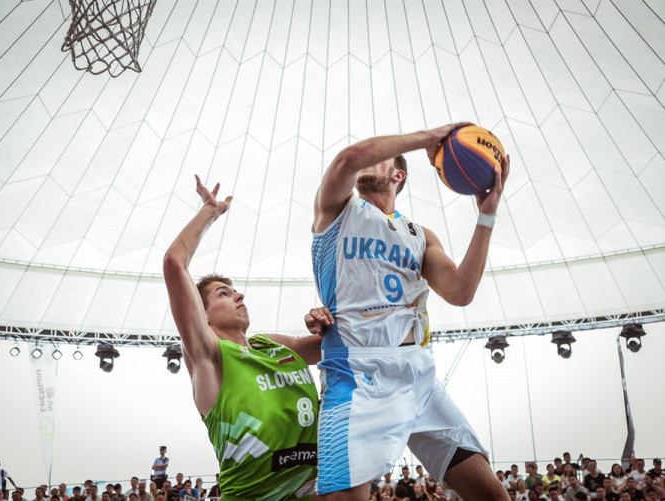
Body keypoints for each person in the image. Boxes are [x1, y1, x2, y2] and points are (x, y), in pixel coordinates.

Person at [311, 123, 509, 500]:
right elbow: (350, 157)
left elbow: (461, 291)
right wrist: (429, 139)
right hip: (358, 374)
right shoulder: (336, 210)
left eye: (380, 156)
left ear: (397, 175)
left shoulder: (420, 234)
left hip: (418, 375)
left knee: (492, 494)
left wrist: (487, 214)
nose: (366, 158)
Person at [163, 175, 331, 500]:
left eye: (236, 291)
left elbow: (335, 347)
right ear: (202, 314)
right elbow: (174, 262)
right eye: (224, 294)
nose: (239, 296)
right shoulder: (209, 356)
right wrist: (210, 211)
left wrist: (324, 322)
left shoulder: (271, 345)